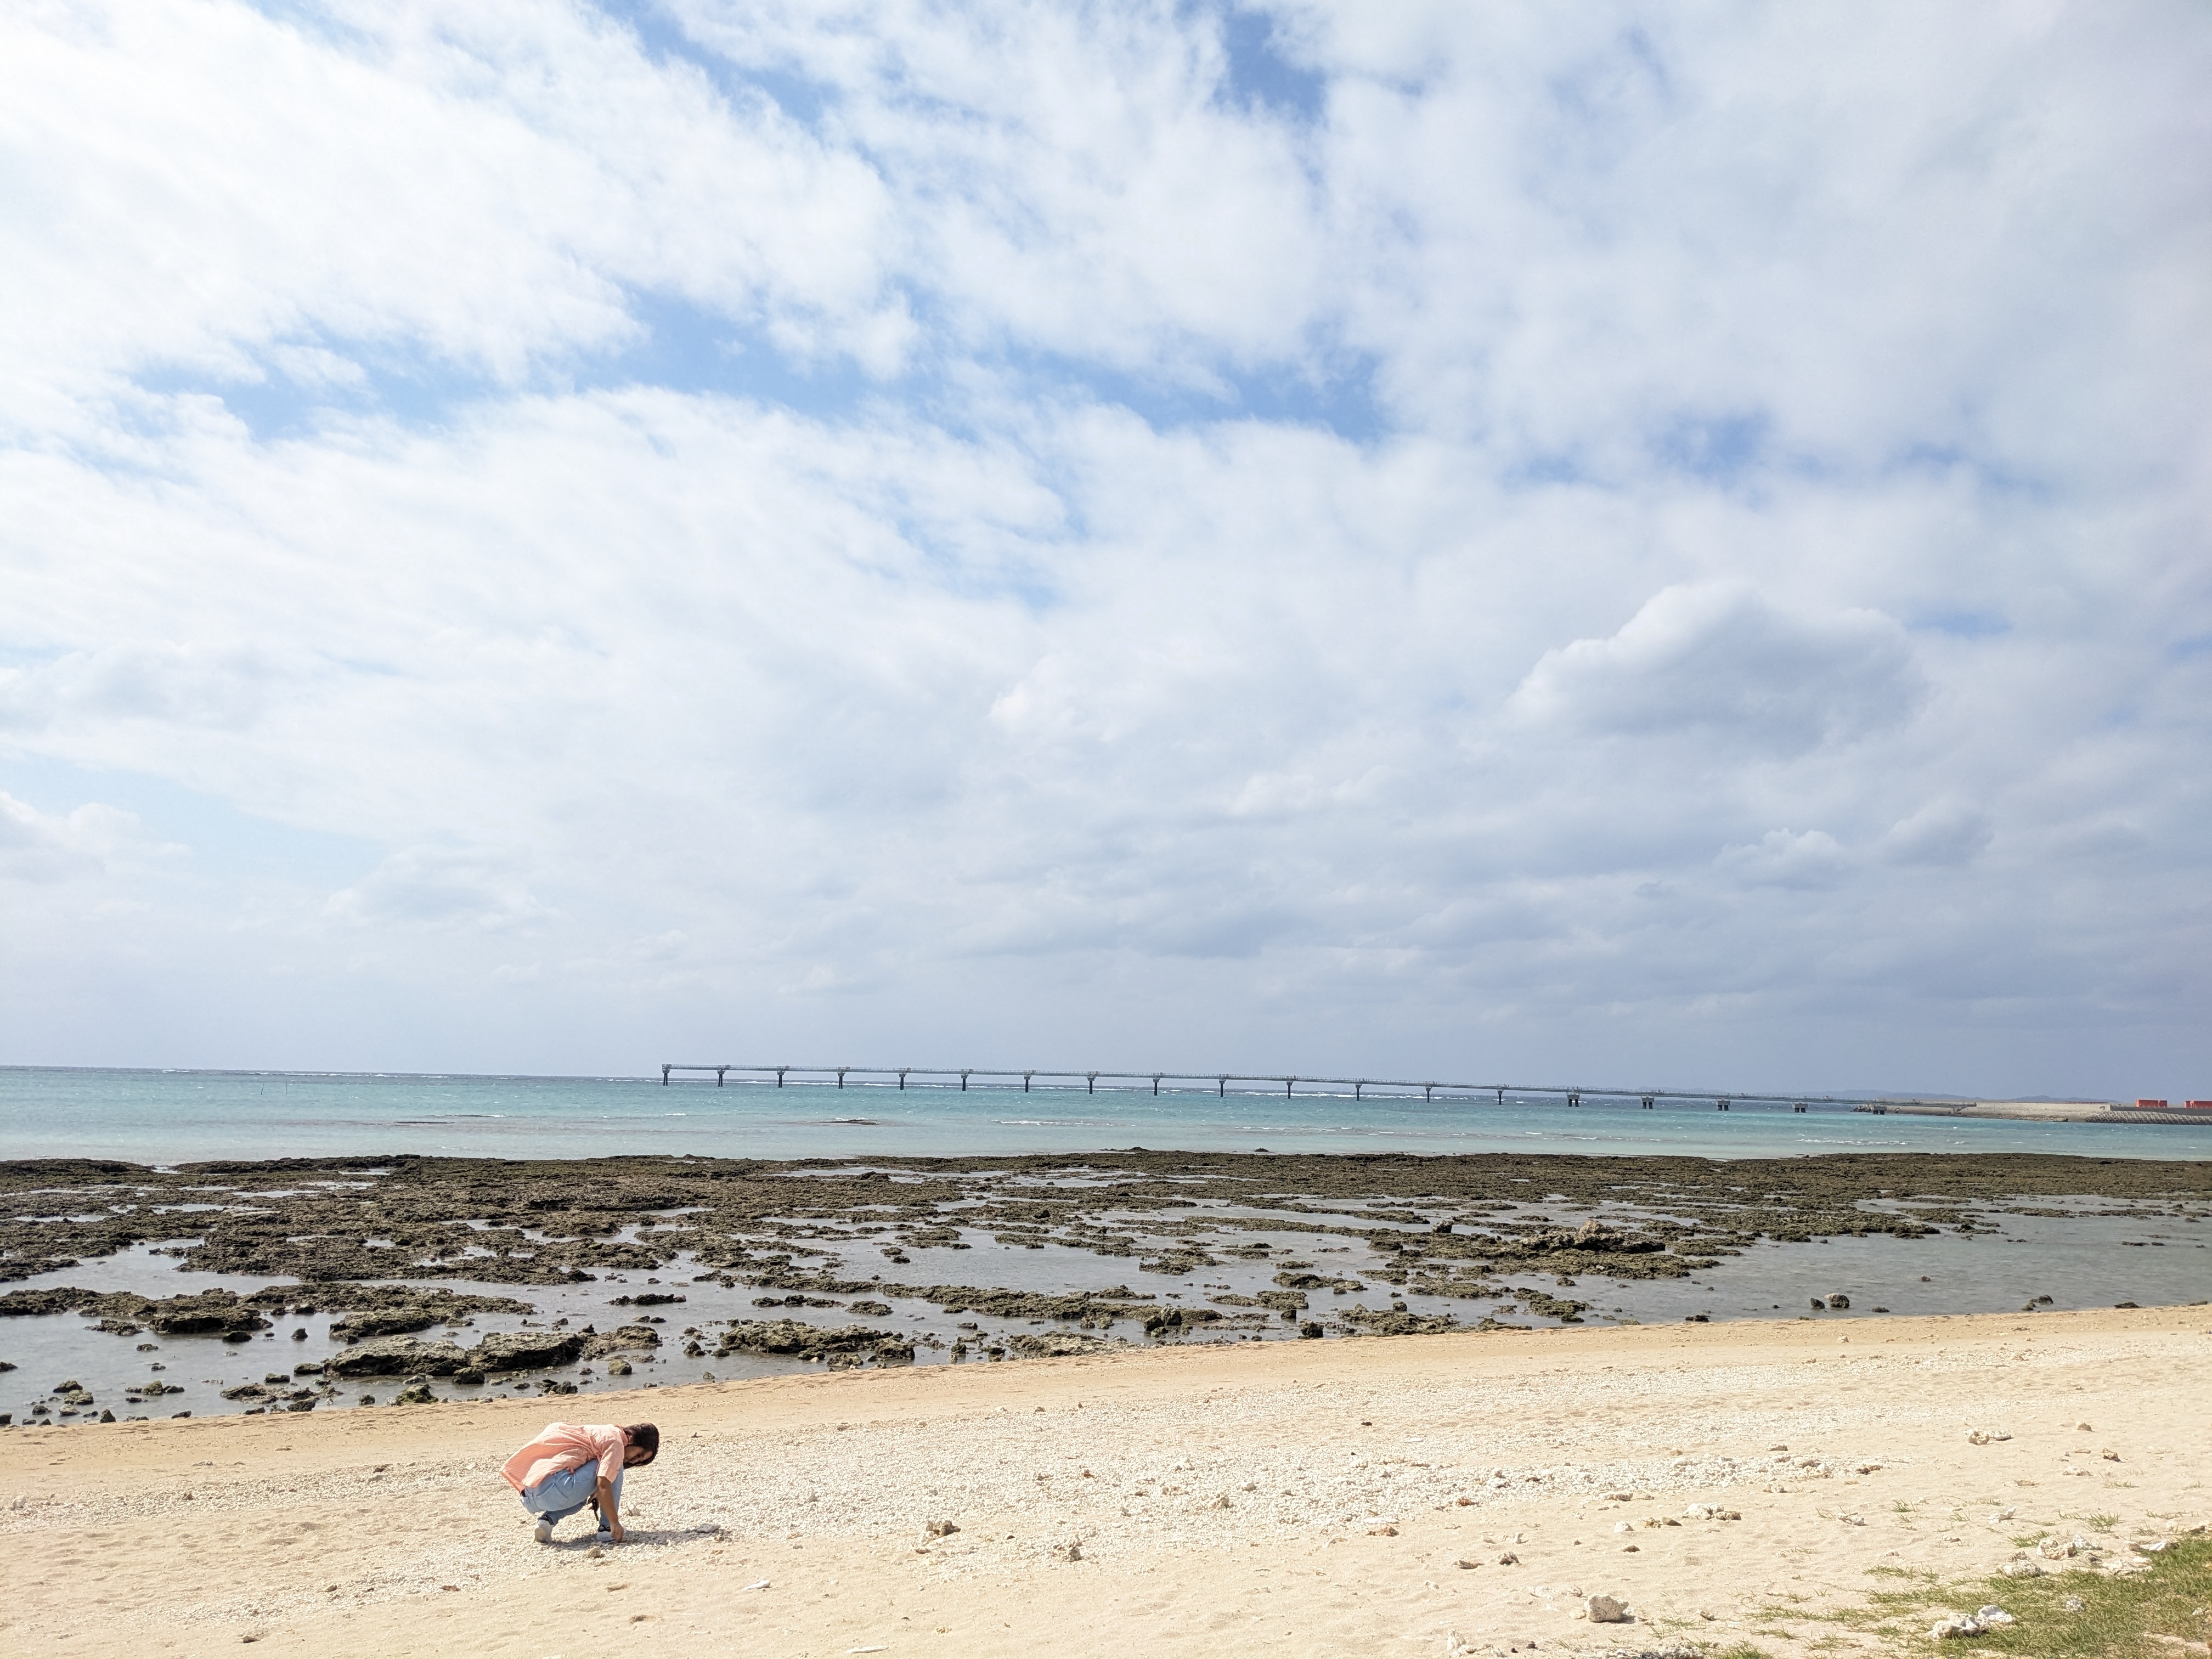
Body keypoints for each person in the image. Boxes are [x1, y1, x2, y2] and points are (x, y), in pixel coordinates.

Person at [501, 1420, 658, 1544]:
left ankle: (547, 1522)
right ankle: (607, 1529)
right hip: (559, 1487)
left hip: (531, 1494)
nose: (633, 1460)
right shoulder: (616, 1442)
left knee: (581, 1501)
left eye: (639, 1460)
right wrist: (614, 1522)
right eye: (639, 1455)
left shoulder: (602, 1431)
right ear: (632, 1438)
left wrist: (595, 1491)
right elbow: (603, 1483)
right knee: (613, 1466)